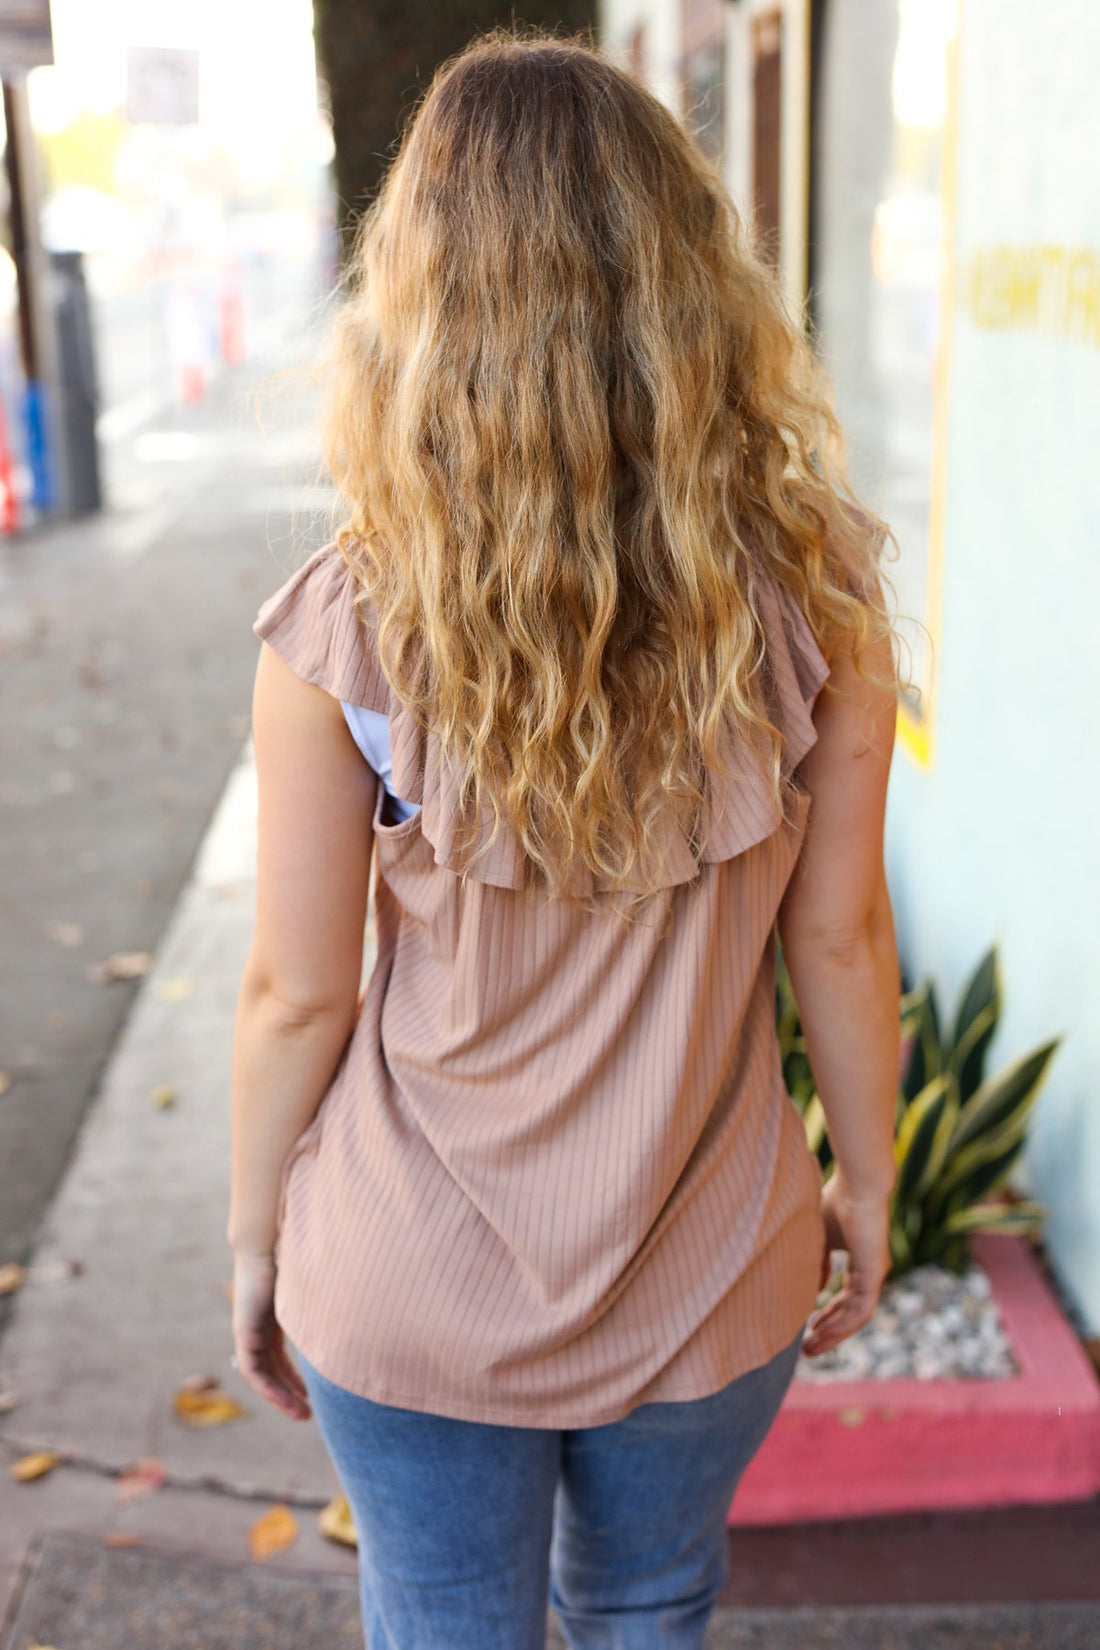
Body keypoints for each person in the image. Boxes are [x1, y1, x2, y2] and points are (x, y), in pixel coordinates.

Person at [227, 25, 905, 1650]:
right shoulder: (817, 602)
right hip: (708, 1267)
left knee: (445, 1622)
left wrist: (257, 1237)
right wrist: (866, 1185)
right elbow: (842, 939)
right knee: (652, 1609)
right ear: (689, 283)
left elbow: (294, 996)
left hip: (406, 1280)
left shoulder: (348, 623)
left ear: (421, 296)